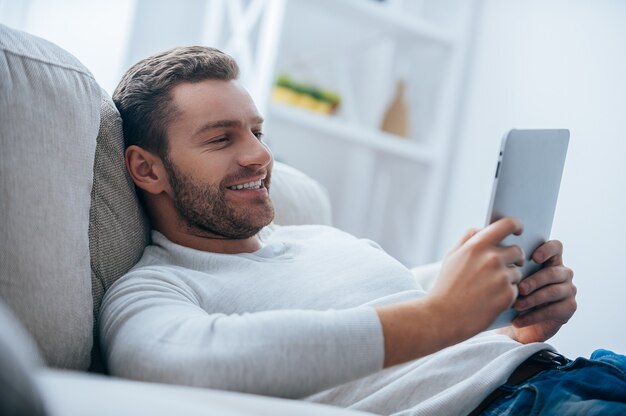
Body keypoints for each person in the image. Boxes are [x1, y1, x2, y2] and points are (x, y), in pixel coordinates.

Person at [100, 46, 626, 415]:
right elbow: (169, 360)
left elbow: (432, 341)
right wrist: (442, 315)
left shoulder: (324, 240)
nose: (260, 155)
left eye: (258, 132)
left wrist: (519, 320)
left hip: (580, 370)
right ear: (148, 169)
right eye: (221, 139)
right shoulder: (159, 286)